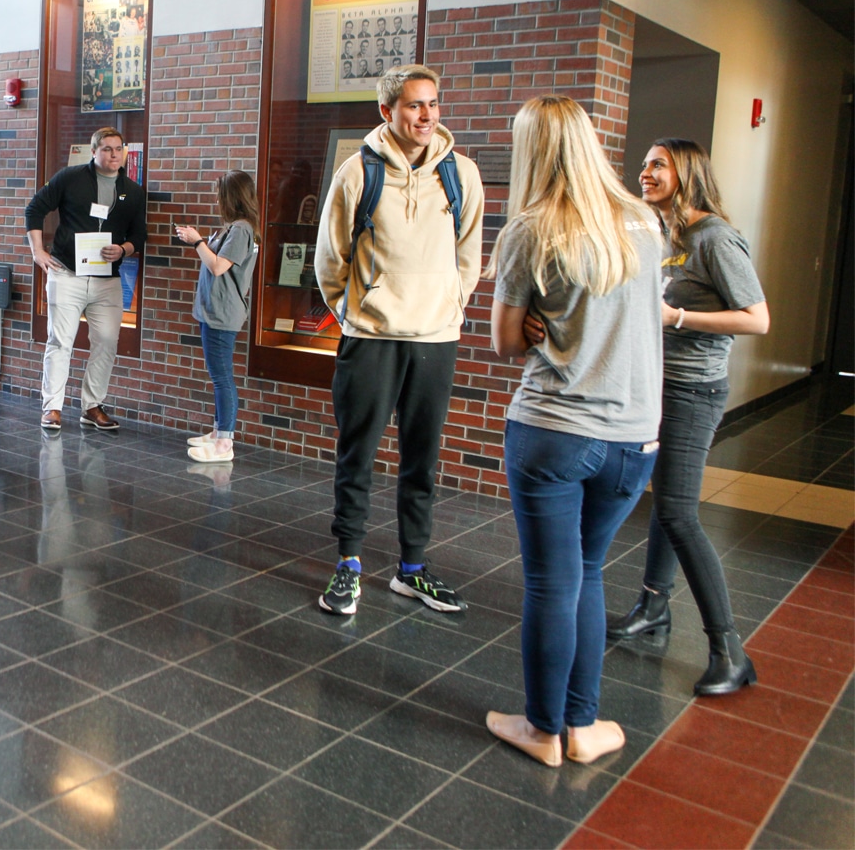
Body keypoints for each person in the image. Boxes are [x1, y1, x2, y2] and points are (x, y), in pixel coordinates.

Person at [485, 95, 665, 768]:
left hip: (555, 430)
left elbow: (506, 339)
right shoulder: (645, 223)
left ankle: (541, 730)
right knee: (589, 574)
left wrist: (535, 321)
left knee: (552, 583)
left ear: (532, 150)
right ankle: (583, 727)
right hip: (634, 439)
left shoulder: (532, 229)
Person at [312, 64, 484, 617]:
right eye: (414, 105)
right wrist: (356, 312)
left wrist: (449, 308)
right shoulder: (358, 174)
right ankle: (349, 565)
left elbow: (468, 256)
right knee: (357, 455)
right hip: (372, 338)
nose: (427, 115)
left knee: (422, 460)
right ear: (387, 112)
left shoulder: (462, 174)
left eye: (433, 103)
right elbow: (329, 259)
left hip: (436, 338)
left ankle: (412, 569)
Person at [605, 138, 769, 695]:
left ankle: (729, 651)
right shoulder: (664, 235)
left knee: (678, 513)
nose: (644, 172)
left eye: (658, 165)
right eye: (645, 164)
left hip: (695, 392)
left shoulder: (716, 239)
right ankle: (653, 606)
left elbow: (757, 319)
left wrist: (677, 318)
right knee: (666, 504)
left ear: (687, 172)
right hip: (658, 387)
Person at [25, 126, 147, 432]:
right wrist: (38, 251)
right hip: (67, 273)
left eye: (118, 149)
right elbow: (35, 208)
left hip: (108, 280)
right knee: (60, 341)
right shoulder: (70, 178)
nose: (113, 154)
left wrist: (123, 249)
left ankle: (92, 406)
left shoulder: (132, 191)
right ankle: (52, 408)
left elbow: (139, 235)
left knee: (106, 342)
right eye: (106, 149)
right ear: (93, 152)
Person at [174, 170, 261, 463]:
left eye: (219, 194)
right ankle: (217, 432)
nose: (215, 199)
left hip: (224, 314)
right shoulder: (233, 228)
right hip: (214, 311)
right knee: (218, 376)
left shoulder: (241, 229)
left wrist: (197, 241)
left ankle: (225, 442)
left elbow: (218, 267)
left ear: (231, 197)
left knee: (222, 377)